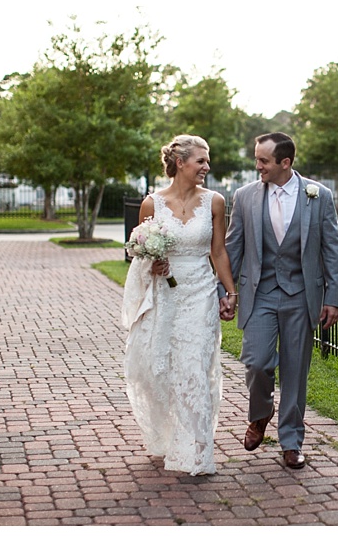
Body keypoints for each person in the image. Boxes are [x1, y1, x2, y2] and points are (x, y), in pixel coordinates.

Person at [224, 132, 338, 469]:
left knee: (295, 372)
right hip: (259, 293)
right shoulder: (245, 196)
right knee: (257, 362)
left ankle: (291, 441)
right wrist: (226, 292)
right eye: (257, 158)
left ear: (285, 162)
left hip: (301, 295)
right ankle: (261, 414)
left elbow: (331, 250)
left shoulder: (319, 196)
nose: (257, 165)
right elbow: (233, 248)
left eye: (263, 160)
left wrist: (333, 297)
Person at [121, 134, 238, 476]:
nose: (207, 166)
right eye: (201, 160)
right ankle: (166, 435)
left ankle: (196, 452)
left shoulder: (215, 202)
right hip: (164, 294)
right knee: (159, 370)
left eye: (207, 160)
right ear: (181, 163)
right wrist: (152, 264)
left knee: (195, 368)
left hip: (200, 293)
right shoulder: (151, 204)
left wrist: (230, 293)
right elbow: (140, 254)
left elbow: (218, 252)